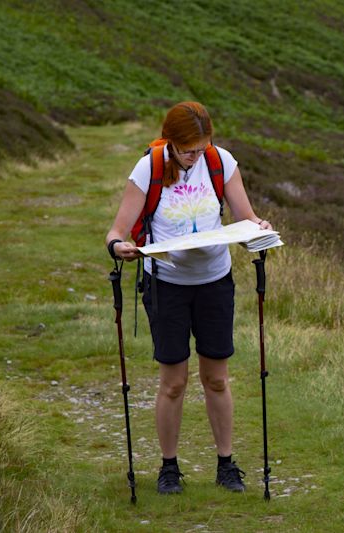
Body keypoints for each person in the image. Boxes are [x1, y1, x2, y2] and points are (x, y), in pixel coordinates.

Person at [105, 101, 272, 495]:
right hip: (166, 285)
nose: (195, 156)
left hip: (215, 281)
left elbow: (245, 216)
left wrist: (259, 227)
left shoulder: (220, 162)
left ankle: (226, 465)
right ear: (170, 142)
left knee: (216, 378)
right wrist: (120, 248)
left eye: (200, 148)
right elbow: (116, 231)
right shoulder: (148, 168)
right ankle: (168, 468)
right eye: (187, 150)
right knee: (173, 383)